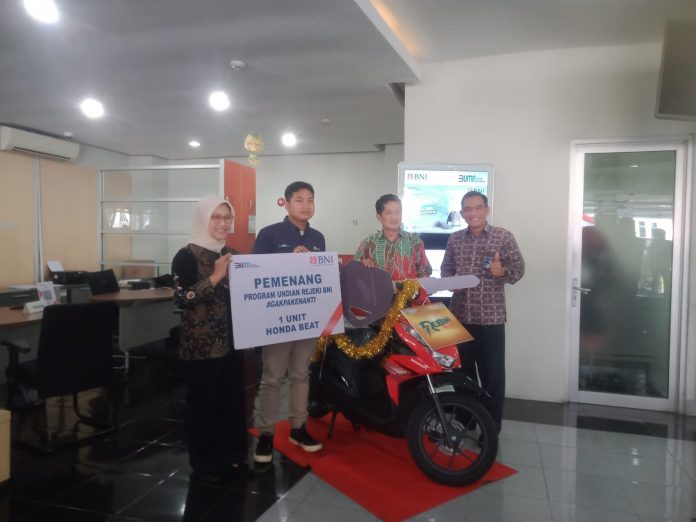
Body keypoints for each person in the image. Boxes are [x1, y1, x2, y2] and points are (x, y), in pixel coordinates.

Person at [171, 195, 247, 483]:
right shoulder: (186, 256)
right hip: (202, 344)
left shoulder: (232, 253)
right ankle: (204, 463)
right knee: (204, 404)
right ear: (203, 219)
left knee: (232, 401)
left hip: (233, 341)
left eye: (227, 217)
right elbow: (181, 298)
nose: (223, 223)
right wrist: (215, 277)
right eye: (216, 217)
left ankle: (233, 456)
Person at [253, 181, 325, 463]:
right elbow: (255, 274)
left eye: (310, 199)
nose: (306, 205)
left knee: (300, 374)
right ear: (286, 203)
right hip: (278, 319)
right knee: (272, 377)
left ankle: (298, 427)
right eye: (299, 199)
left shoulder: (318, 237)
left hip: (306, 318)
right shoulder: (269, 234)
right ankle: (266, 433)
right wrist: (287, 259)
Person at [441, 191, 525, 432]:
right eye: (468, 208)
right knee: (463, 375)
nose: (473, 213)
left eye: (478, 207)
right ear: (462, 212)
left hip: (490, 319)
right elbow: (446, 270)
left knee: (492, 378)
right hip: (460, 317)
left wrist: (502, 272)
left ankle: (490, 428)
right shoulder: (455, 239)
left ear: (487, 210)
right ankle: (465, 421)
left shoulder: (503, 236)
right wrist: (451, 282)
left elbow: (519, 268)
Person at [354, 194, 432, 281]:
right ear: (379, 217)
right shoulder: (368, 242)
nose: (394, 217)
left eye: (398, 212)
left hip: (409, 290)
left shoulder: (415, 242)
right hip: (377, 290)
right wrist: (361, 265)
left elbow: (424, 274)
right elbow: (354, 273)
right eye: (389, 213)